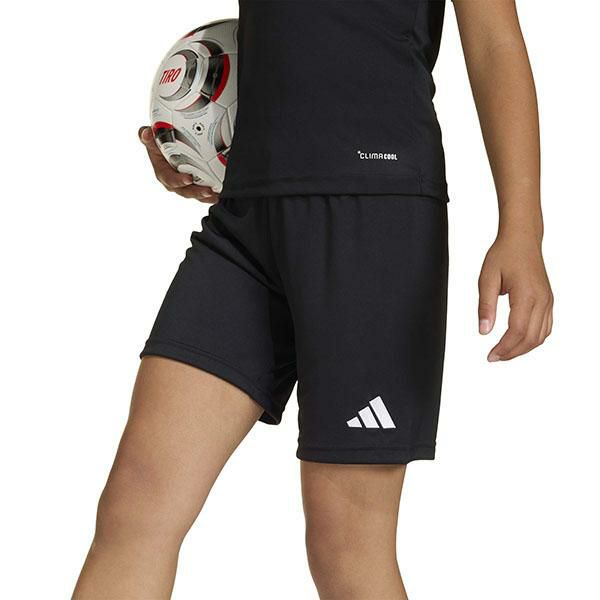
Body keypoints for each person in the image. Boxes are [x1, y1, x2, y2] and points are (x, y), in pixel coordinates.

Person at [73, 1, 553, 598]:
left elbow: (494, 42)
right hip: (246, 214)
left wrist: (522, 228)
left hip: (372, 217)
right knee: (136, 505)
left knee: (345, 546)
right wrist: (189, 135)